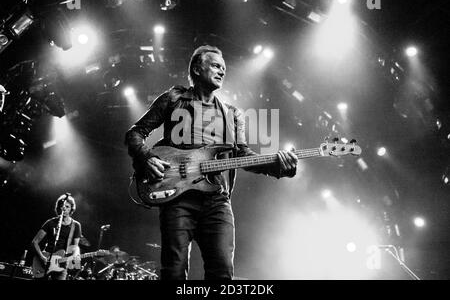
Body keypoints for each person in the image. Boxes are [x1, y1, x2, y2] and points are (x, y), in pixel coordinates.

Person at [125, 45, 298, 280]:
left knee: (222, 272)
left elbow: (243, 156)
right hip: (178, 198)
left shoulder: (232, 115)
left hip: (216, 199)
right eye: (216, 66)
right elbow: (135, 133)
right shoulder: (174, 99)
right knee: (174, 271)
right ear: (197, 69)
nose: (222, 71)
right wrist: (146, 158)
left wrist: (276, 165)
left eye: (224, 69)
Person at [31, 193, 82, 280]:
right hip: (45, 261)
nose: (64, 208)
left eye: (67, 206)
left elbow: (75, 246)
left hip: (62, 264)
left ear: (71, 209)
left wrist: (75, 254)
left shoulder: (76, 225)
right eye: (62, 206)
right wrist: (42, 257)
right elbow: (35, 242)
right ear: (59, 207)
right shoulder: (50, 222)